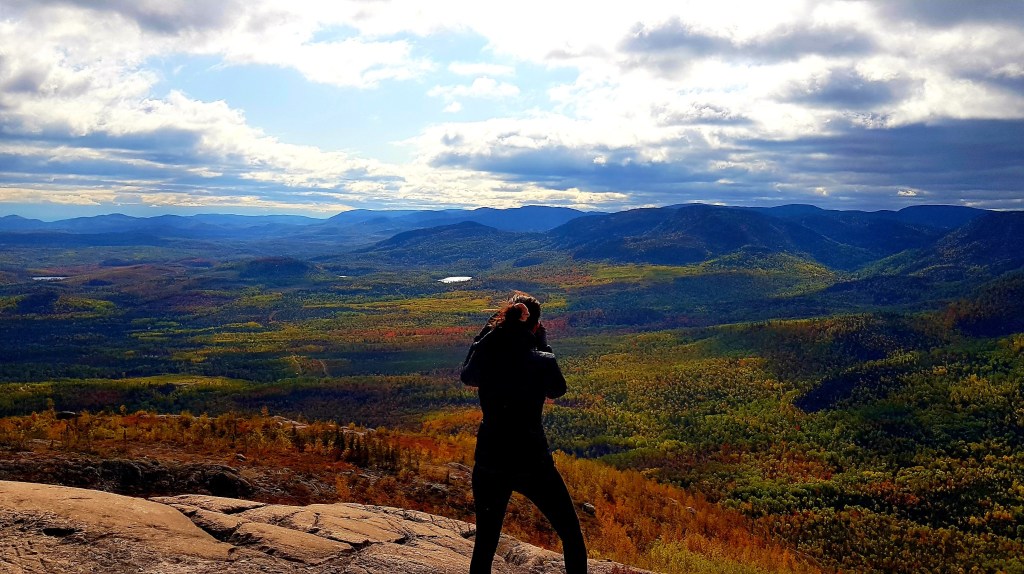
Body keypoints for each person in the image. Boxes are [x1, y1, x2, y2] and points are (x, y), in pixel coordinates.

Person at [460, 291, 587, 574]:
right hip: (533, 462)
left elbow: (467, 373)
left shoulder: (488, 357)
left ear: (502, 322)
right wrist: (541, 342)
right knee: (570, 534)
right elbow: (557, 389)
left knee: (486, 543)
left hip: (491, 461)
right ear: (536, 326)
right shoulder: (541, 360)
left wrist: (491, 328)